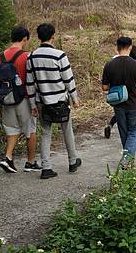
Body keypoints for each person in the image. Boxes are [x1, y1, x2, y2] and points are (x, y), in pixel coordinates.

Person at [26, 23, 82, 180]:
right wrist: (74, 98)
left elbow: (30, 84)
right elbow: (68, 79)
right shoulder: (59, 55)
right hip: (60, 101)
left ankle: (46, 167)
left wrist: (32, 105)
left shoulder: (31, 57)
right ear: (53, 36)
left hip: (42, 101)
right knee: (67, 130)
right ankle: (72, 162)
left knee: (45, 132)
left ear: (38, 37)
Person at [0, 27, 42, 173]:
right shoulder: (26, 56)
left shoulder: (0, 56)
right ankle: (31, 162)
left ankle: (7, 157)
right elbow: (31, 79)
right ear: (25, 39)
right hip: (24, 98)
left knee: (11, 129)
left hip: (6, 98)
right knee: (30, 130)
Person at [102, 37, 136, 169]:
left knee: (124, 133)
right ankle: (126, 160)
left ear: (117, 47)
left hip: (118, 104)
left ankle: (127, 160)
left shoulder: (109, 65)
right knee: (134, 132)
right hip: (134, 103)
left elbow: (104, 87)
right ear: (130, 47)